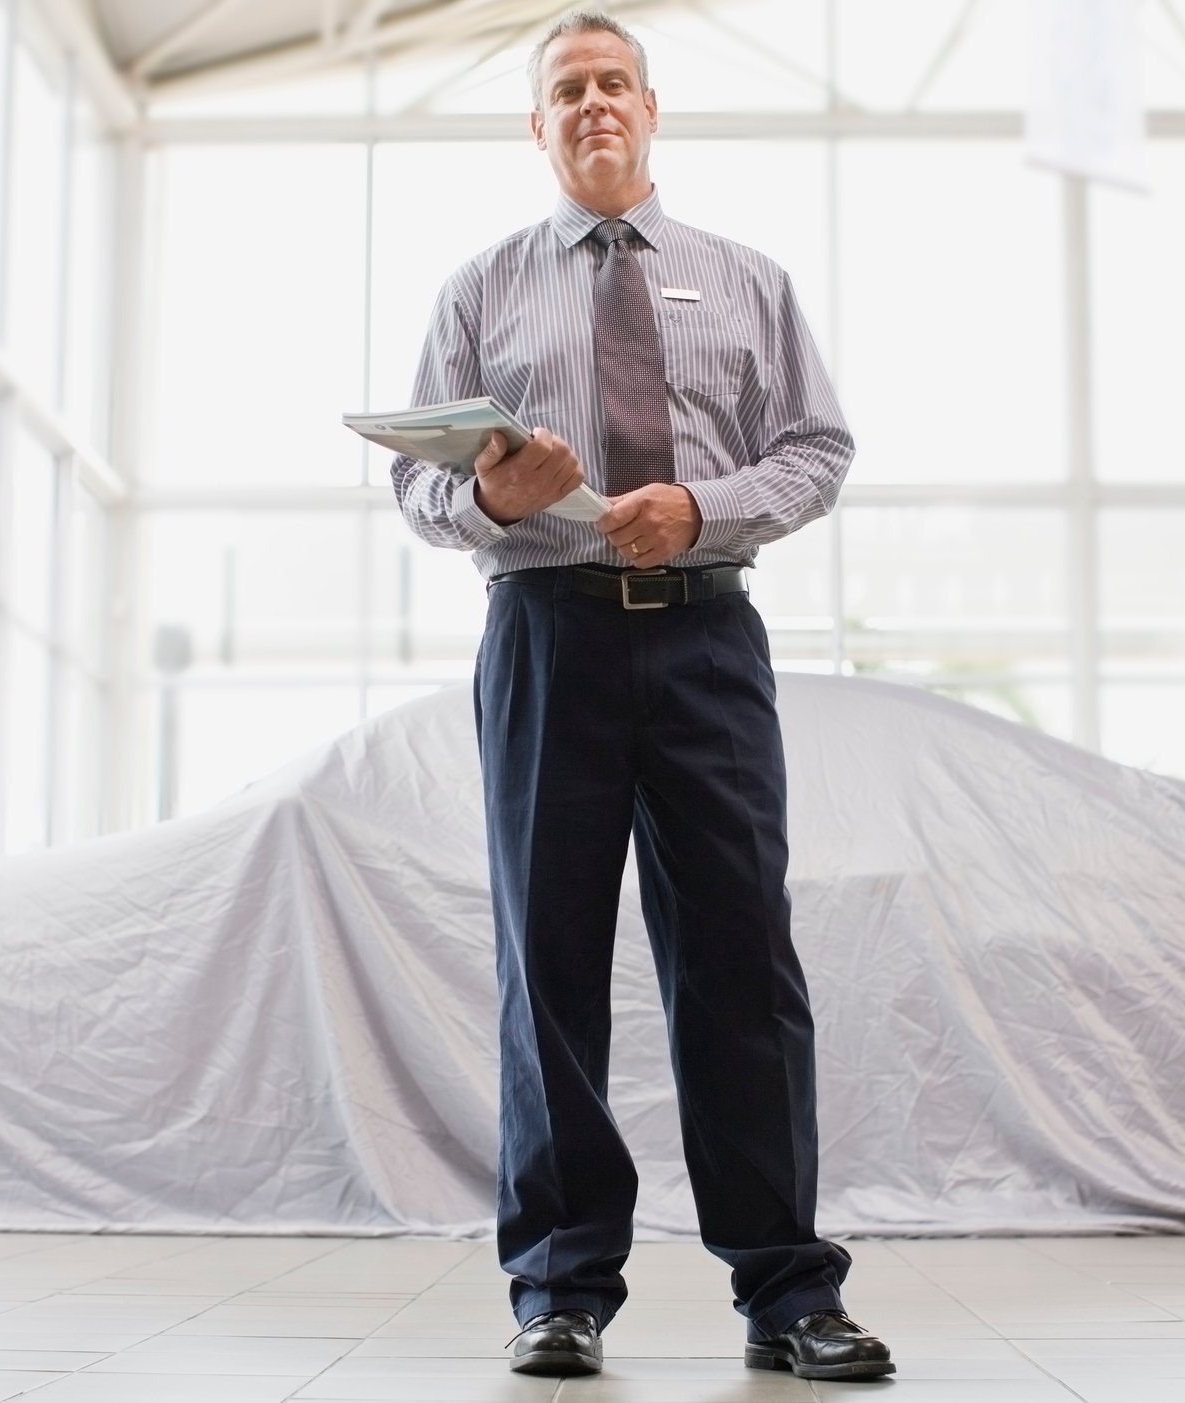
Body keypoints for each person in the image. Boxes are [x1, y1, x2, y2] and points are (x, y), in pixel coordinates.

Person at [387, 8, 893, 1385]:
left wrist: (703, 505)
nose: (594, 103)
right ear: (537, 127)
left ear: (651, 111)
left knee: (739, 964)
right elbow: (418, 482)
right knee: (544, 967)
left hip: (706, 643)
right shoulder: (481, 289)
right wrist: (487, 495)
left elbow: (818, 444)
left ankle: (788, 1294)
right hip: (545, 638)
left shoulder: (745, 282)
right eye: (567, 89)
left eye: (614, 83)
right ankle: (557, 1288)